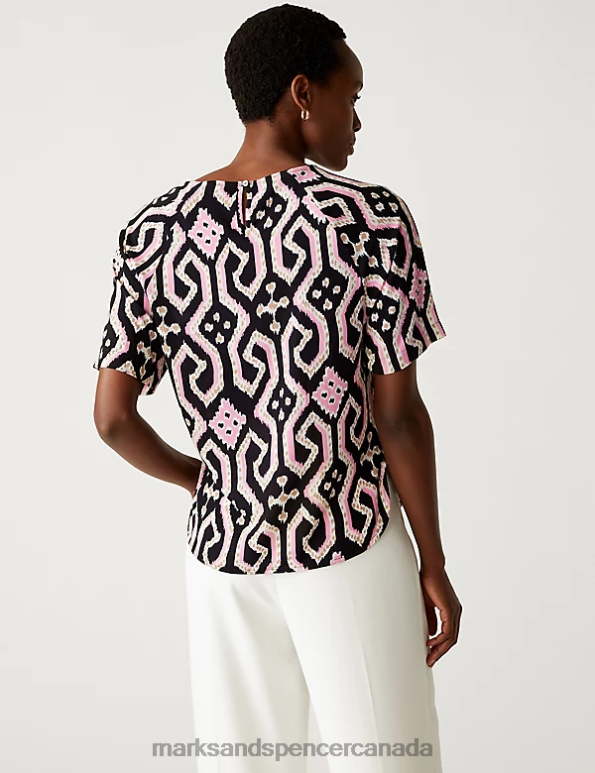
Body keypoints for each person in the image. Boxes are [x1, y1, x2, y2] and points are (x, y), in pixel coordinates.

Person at [92, 4, 462, 771]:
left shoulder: (152, 231)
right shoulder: (369, 219)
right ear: (302, 92)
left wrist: (204, 479)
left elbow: (113, 418)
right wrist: (432, 561)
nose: (356, 120)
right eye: (350, 96)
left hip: (223, 553)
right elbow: (396, 415)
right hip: (347, 536)